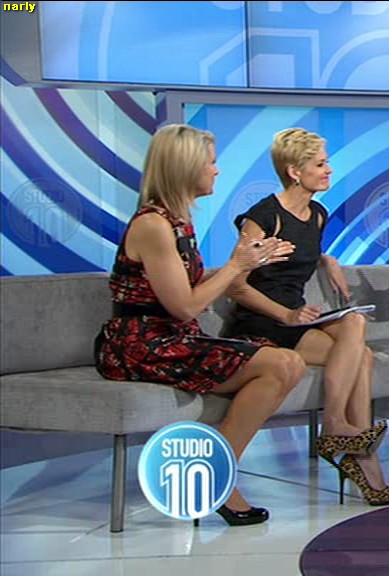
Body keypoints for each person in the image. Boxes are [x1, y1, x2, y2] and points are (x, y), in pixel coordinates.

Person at [94, 124, 304, 526]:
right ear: (185, 166)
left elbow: (185, 288)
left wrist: (250, 261)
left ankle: (214, 471)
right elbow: (184, 307)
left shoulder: (178, 220)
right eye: (210, 162)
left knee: (288, 363)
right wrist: (237, 266)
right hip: (141, 345)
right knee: (279, 364)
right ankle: (218, 477)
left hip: (172, 337)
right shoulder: (153, 225)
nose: (217, 170)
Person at [224, 128, 389, 506]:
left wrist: (327, 259)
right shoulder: (262, 217)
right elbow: (235, 285)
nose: (328, 170)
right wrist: (286, 314)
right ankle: (356, 454)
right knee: (362, 357)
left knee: (355, 325)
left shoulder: (318, 215)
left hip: (296, 318)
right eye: (320, 164)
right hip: (263, 320)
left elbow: (301, 251)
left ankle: (340, 431)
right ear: (294, 171)